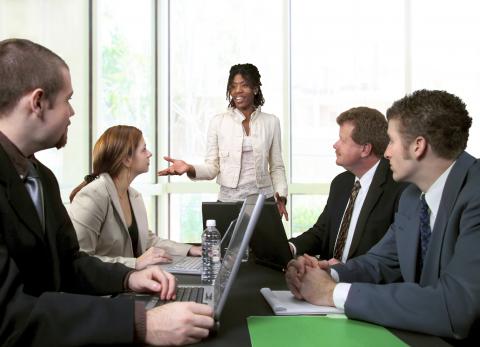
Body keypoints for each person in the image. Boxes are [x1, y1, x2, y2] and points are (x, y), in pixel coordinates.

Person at [0, 38, 213, 346]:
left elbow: (70, 262)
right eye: (67, 100)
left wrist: (127, 278)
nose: (72, 112)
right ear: (37, 102)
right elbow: (8, 316)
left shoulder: (42, 178)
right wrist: (141, 324)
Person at [286, 90, 479, 342]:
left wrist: (333, 293)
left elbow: (456, 307)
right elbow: (382, 261)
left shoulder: (475, 195)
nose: (386, 153)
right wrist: (326, 274)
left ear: (418, 146)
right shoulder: (412, 197)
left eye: (391, 141)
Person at [158, 63, 289, 219]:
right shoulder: (218, 122)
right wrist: (189, 168)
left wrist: (281, 196)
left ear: (255, 89)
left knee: (265, 244)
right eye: (233, 87)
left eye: (244, 85)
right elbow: (212, 168)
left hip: (263, 202)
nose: (237, 91)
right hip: (228, 202)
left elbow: (277, 166)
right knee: (225, 244)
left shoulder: (271, 122)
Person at [68, 125, 201, 270]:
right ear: (126, 159)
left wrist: (190, 250)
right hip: (103, 290)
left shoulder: (134, 196)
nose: (149, 153)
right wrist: (135, 263)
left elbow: (147, 240)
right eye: (143, 149)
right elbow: (80, 260)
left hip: (129, 283)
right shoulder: (92, 196)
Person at [289, 107, 407, 263]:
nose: (335, 145)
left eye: (343, 140)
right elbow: (321, 232)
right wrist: (290, 247)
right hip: (325, 280)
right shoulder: (341, 183)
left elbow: (394, 257)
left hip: (361, 283)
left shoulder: (399, 188)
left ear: (365, 149)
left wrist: (342, 272)